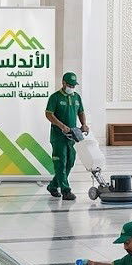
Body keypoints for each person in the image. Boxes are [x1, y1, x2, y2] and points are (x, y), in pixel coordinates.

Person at [45, 71, 88, 200]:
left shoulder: (76, 97)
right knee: (60, 163)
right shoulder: (55, 97)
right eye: (70, 85)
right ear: (63, 83)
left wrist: (84, 124)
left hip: (72, 136)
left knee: (70, 162)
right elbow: (48, 114)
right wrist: (61, 126)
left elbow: (81, 112)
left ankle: (53, 186)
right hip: (58, 137)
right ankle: (66, 190)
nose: (72, 87)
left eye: (74, 85)